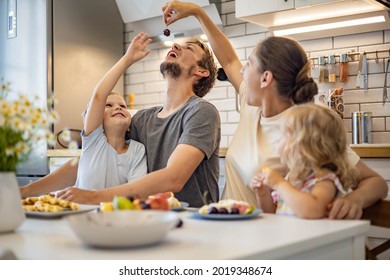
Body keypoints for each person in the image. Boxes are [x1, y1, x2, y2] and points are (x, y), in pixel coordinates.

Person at [163, 0, 388, 219]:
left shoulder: (304, 127)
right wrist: (197, 12)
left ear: (266, 79)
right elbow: (229, 60)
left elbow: (375, 183)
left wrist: (354, 200)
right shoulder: (252, 106)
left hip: (264, 241)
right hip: (227, 229)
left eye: (249, 64)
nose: (241, 72)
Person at [20, 32, 221, 207]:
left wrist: (94, 197)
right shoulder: (142, 120)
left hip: (194, 220)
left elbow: (174, 178)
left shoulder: (201, 112)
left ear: (201, 72)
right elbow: (89, 160)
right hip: (151, 219)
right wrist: (27, 192)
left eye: (189, 48)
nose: (176, 45)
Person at [250, 103, 358, 219]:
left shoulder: (324, 180)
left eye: (284, 136)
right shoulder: (291, 178)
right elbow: (272, 214)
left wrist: (279, 184)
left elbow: (313, 210)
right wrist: (263, 194)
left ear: (305, 146)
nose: (277, 141)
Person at [75, 34, 148, 189]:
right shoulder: (93, 141)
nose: (118, 108)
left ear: (129, 125)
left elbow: (134, 191)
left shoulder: (137, 150)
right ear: (97, 121)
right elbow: (99, 95)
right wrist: (127, 59)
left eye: (122, 106)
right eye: (108, 106)